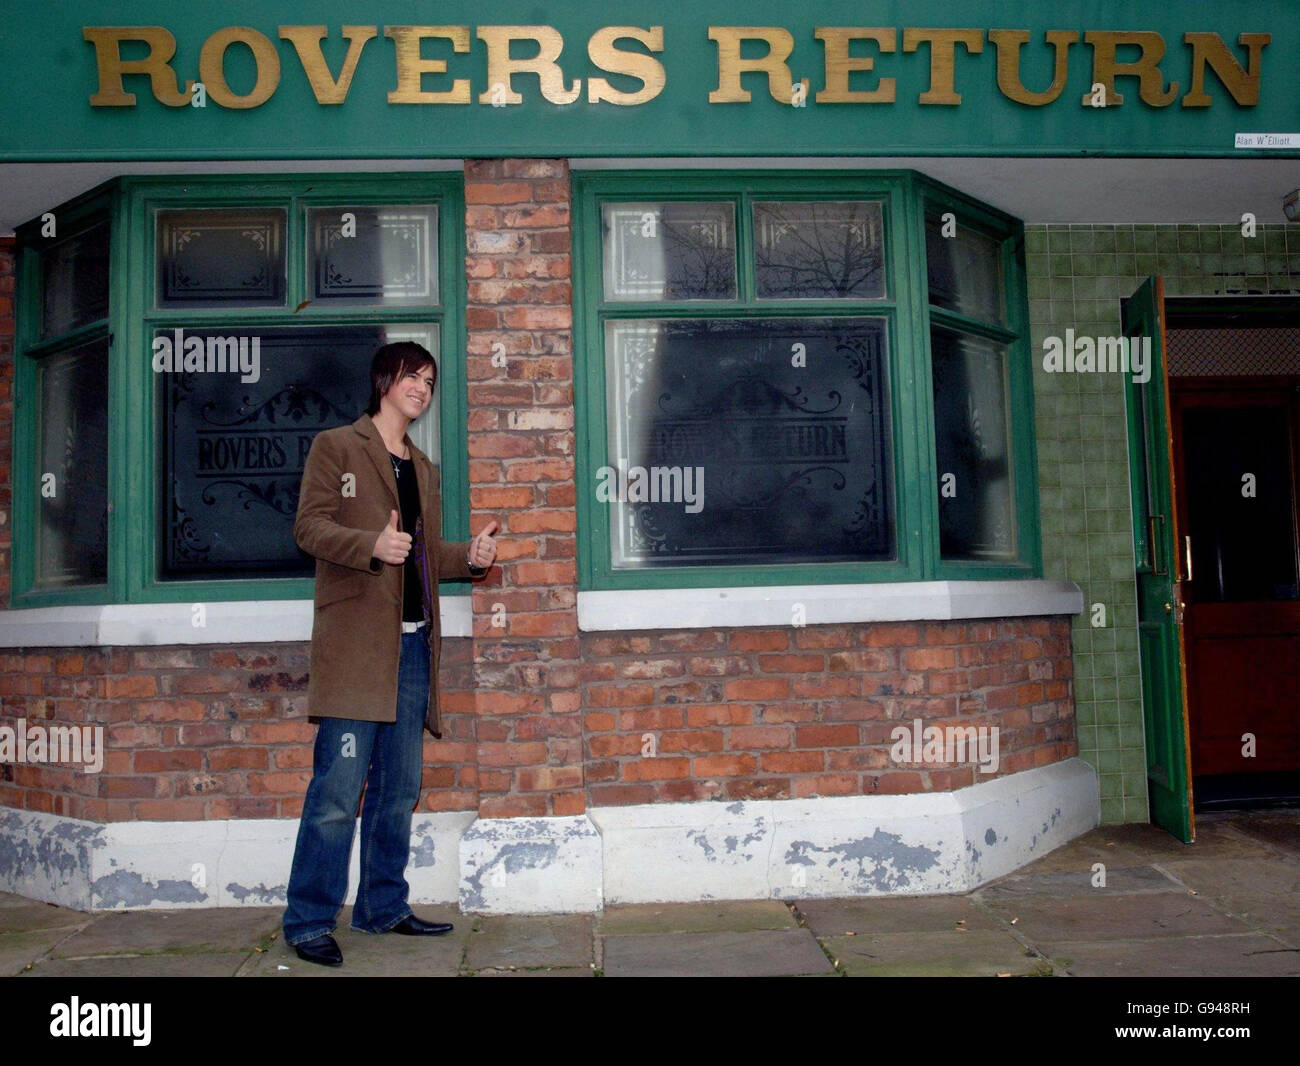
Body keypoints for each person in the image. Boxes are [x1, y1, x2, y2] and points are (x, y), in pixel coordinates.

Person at [282, 340, 498, 967]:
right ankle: (308, 920)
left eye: (430, 382)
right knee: (336, 792)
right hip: (356, 651)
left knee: (399, 789)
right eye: (413, 377)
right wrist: (369, 543)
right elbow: (308, 527)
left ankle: (382, 906)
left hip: (410, 651)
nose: (423, 389)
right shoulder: (337, 447)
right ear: (384, 380)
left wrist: (472, 560)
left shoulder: (424, 467)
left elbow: (425, 555)